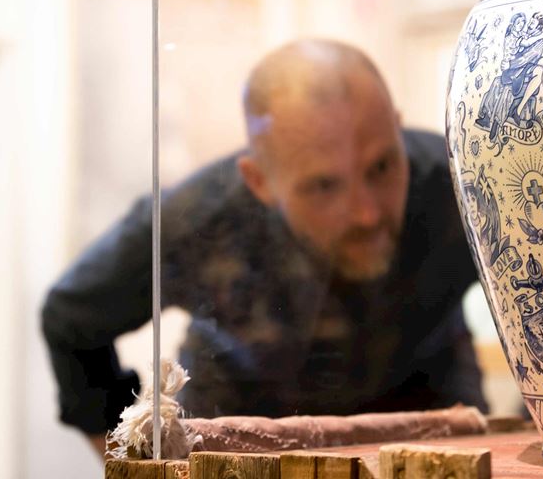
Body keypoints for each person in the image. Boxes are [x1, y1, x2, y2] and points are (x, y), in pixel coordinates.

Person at [41, 39, 487, 456]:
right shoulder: (200, 218)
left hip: (431, 417)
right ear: (258, 182)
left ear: (397, 128)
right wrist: (128, 458)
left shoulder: (466, 183)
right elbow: (71, 317)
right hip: (241, 438)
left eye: (382, 166)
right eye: (324, 186)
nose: (366, 213)